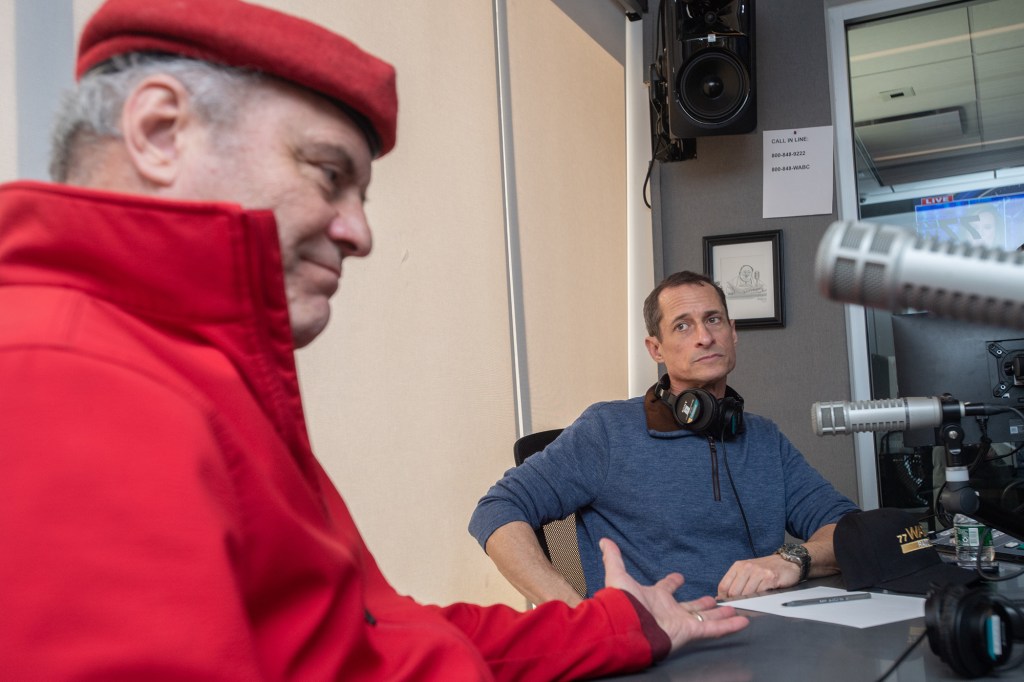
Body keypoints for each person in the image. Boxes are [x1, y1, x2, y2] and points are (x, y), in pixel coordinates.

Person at [0, 0, 749, 679]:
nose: (360, 233)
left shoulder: (194, 383)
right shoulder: (63, 378)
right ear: (161, 132)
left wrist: (617, 626)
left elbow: (372, 640)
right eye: (328, 174)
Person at [470, 271, 860, 606]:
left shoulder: (764, 438)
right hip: (657, 651)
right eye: (683, 325)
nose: (704, 337)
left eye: (714, 320)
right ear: (655, 349)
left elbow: (846, 528)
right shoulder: (608, 430)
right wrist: (576, 616)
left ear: (733, 332)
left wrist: (793, 558)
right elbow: (498, 510)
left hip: (762, 640)